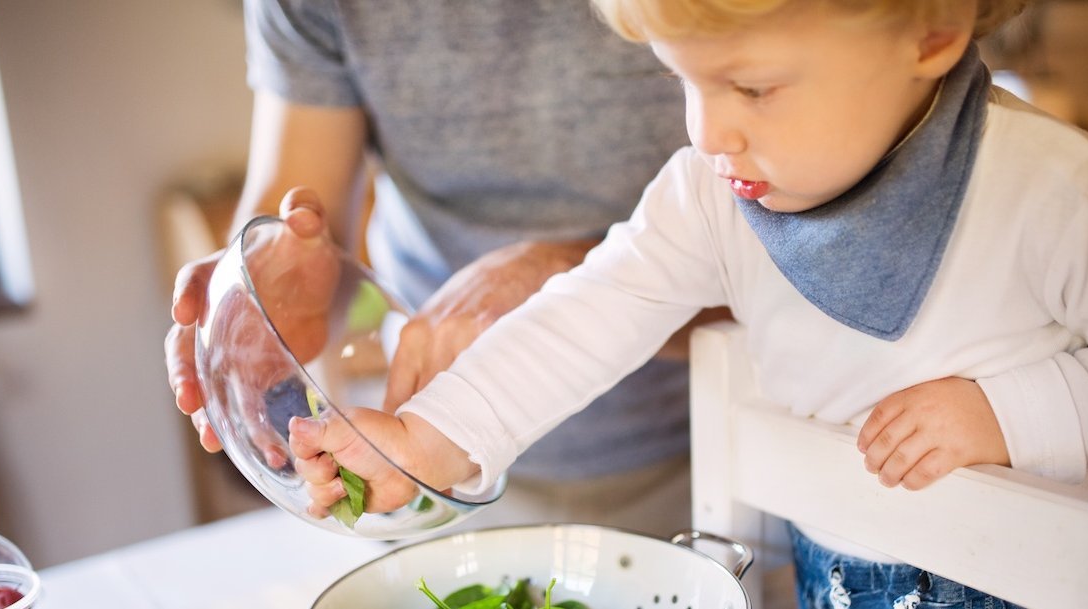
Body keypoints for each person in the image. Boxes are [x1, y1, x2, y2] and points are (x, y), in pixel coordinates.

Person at [286, 0, 1088, 607]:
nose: (705, 131)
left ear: (928, 30)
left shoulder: (1054, 195)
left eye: (751, 88)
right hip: (826, 578)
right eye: (683, 82)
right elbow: (589, 311)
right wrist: (429, 438)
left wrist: (1006, 415)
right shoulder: (712, 191)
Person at [165, 1, 718, 537]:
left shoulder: (705, 184)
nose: (715, 135)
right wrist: (261, 296)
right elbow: (296, 206)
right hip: (436, 483)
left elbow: (705, 267)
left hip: (706, 447)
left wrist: (567, 273)